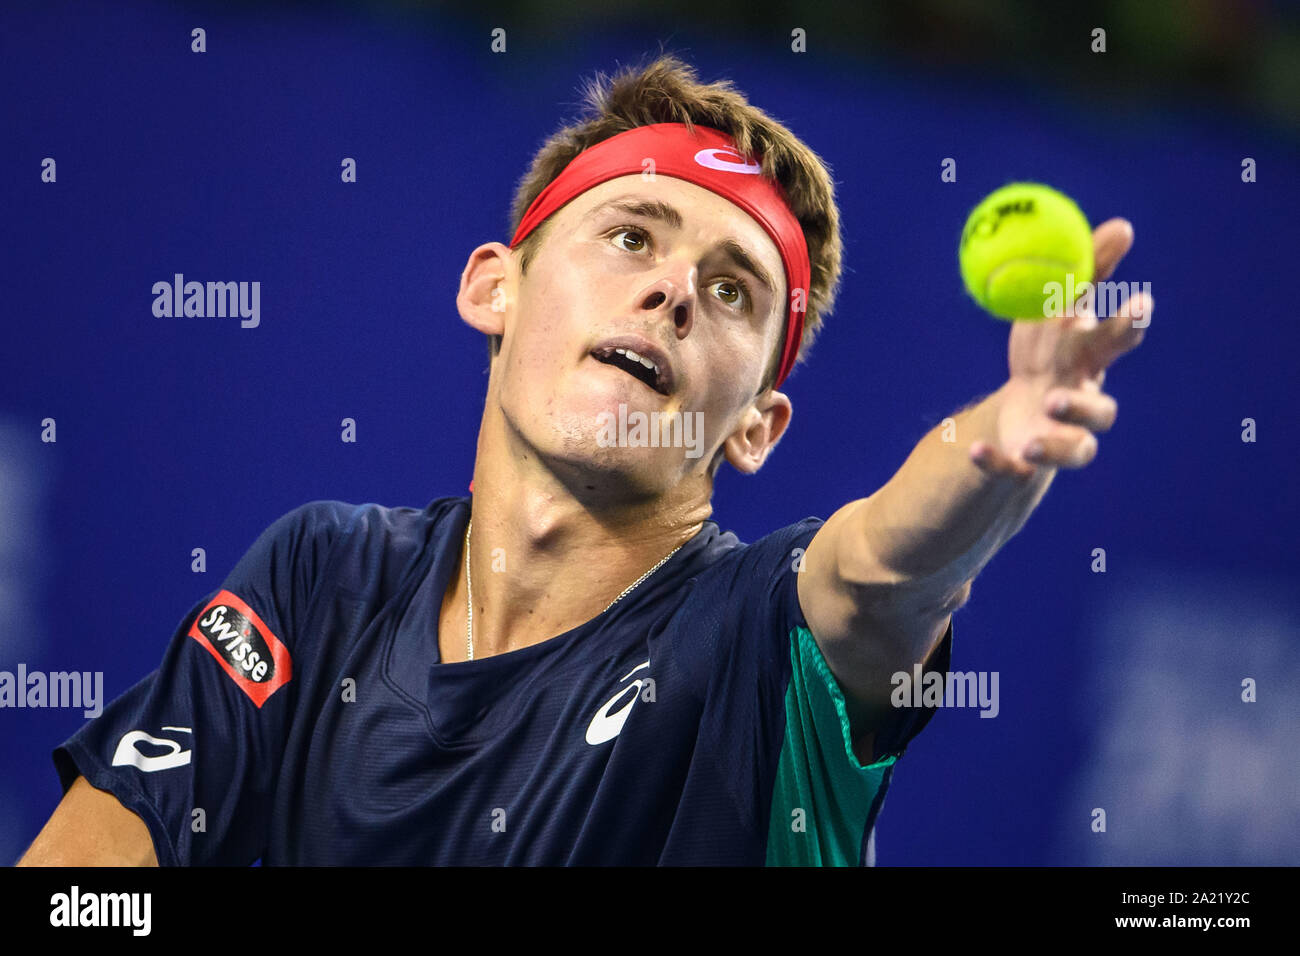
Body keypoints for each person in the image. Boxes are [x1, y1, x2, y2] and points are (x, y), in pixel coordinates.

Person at [17, 53, 1150, 867]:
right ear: (492, 288)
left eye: (730, 291)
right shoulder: (321, 578)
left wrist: (992, 448)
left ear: (756, 424)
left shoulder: (761, 639)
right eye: (629, 236)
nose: (668, 292)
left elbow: (884, 568)